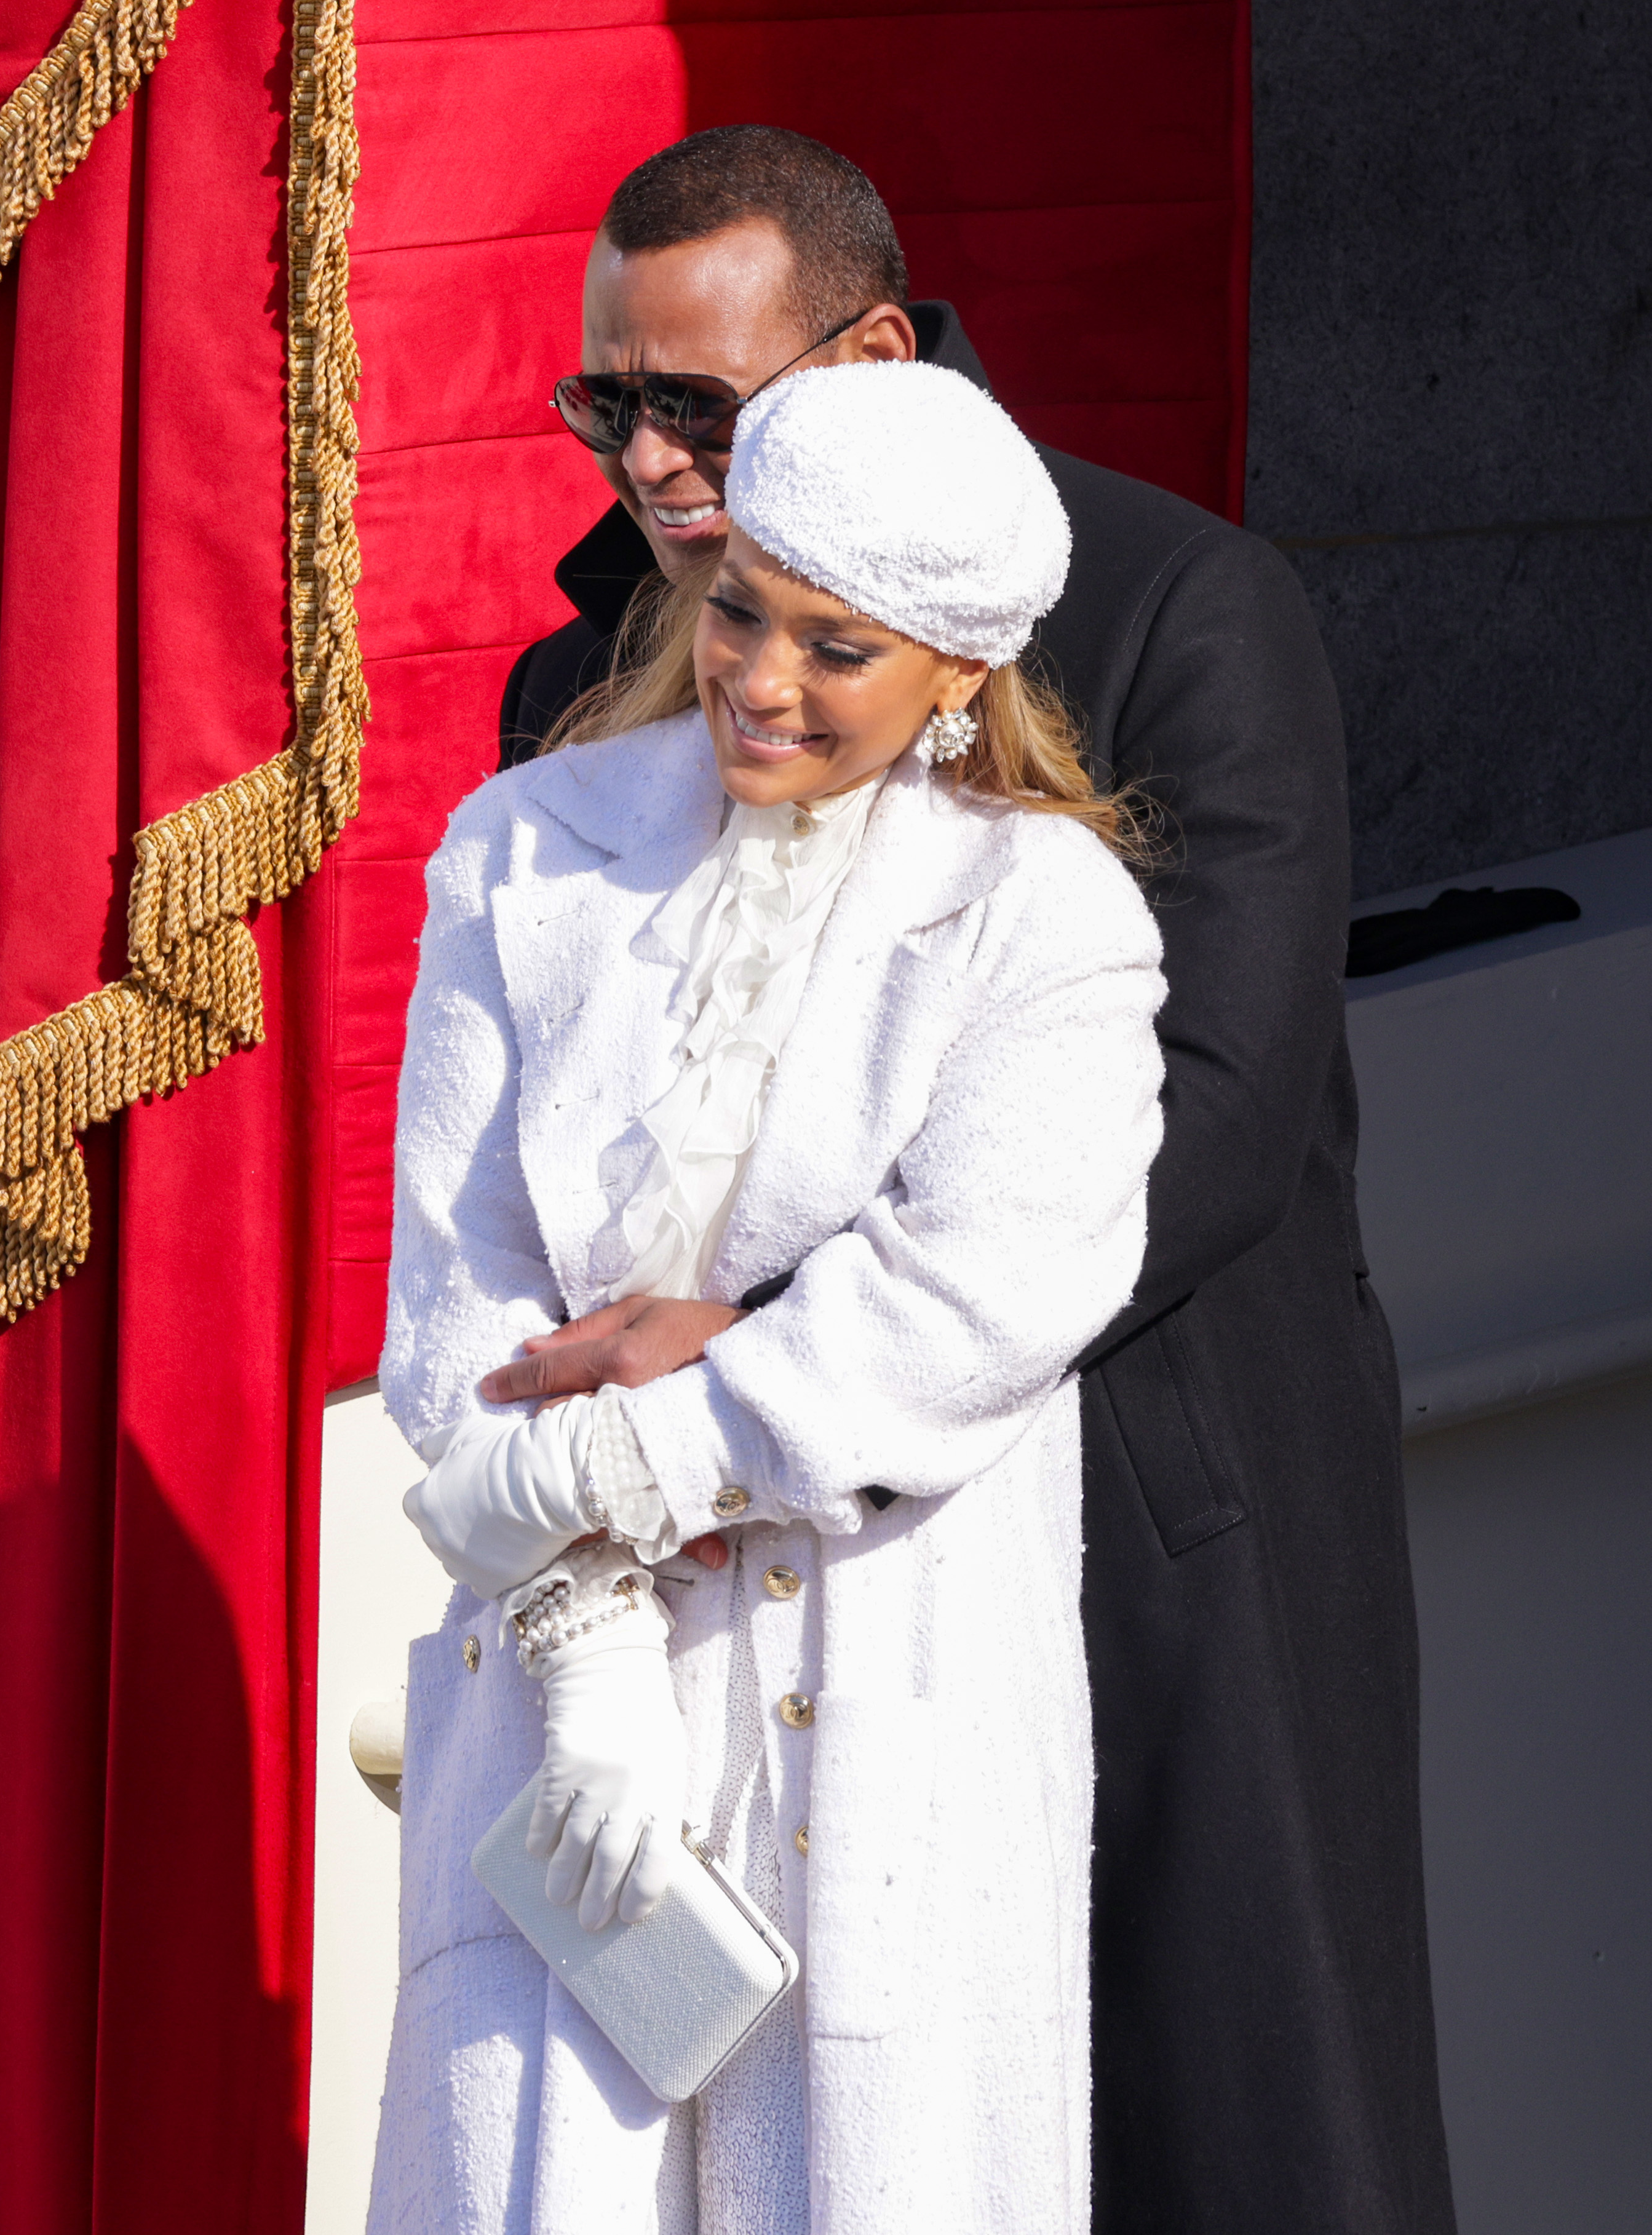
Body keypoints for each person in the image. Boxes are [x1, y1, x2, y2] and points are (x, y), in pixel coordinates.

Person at [498, 129, 1457, 2234]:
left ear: (871, 350)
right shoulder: (577, 685)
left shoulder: (1179, 600)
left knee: (1229, 2128)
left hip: (1148, 1501)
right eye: (608, 404)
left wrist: (767, 1354)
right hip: (732, 1548)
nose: (650, 463)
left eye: (701, 407)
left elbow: (1209, 1106)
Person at [372, 360, 1167, 2235]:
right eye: (742, 607)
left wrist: (612, 1456)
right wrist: (586, 1672)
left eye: (838, 646)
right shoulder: (521, 847)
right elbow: (452, 1307)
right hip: (561, 1726)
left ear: (957, 673)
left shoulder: (1045, 914)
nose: (761, 678)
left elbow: (974, 1303)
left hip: (890, 1710)